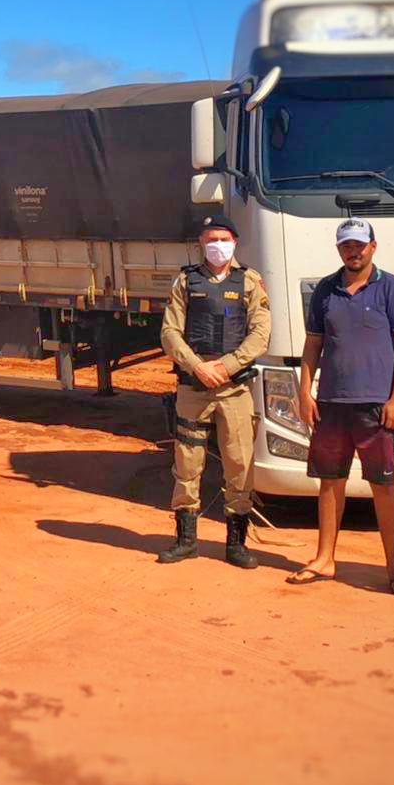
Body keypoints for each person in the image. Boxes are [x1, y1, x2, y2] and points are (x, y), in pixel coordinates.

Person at [288, 218, 394, 594]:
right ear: (339, 249)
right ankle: (324, 558)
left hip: (376, 406)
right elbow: (313, 345)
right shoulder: (325, 290)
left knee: (383, 485)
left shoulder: (392, 289)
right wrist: (304, 393)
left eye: (360, 244)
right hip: (331, 403)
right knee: (330, 482)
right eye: (346, 245)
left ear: (373, 246)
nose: (353, 251)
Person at [158, 214, 271, 568]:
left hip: (234, 389)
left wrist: (228, 366)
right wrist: (198, 366)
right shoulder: (185, 281)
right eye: (210, 238)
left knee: (239, 464)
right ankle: (186, 540)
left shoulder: (250, 282)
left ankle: (236, 544)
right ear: (200, 243)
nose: (217, 245)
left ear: (234, 242)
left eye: (223, 238)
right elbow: (170, 333)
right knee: (187, 464)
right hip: (194, 386)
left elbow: (260, 333)